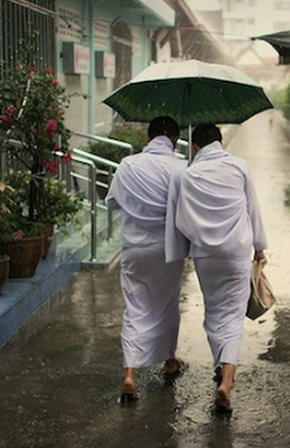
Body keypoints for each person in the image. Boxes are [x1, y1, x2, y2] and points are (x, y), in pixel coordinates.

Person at [166, 124, 268, 414]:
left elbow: (182, 220)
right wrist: (259, 247)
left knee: (214, 312)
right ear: (220, 142)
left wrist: (196, 241)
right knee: (234, 316)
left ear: (196, 147)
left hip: (206, 255)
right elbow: (253, 208)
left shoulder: (188, 175)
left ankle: (219, 366)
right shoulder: (238, 166)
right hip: (237, 252)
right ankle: (227, 379)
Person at [105, 116, 188, 403]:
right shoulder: (181, 167)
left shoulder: (128, 165)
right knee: (166, 305)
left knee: (135, 307)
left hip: (134, 248)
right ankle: (169, 361)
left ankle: (129, 374)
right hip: (168, 249)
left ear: (149, 137)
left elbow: (112, 201)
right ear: (175, 141)